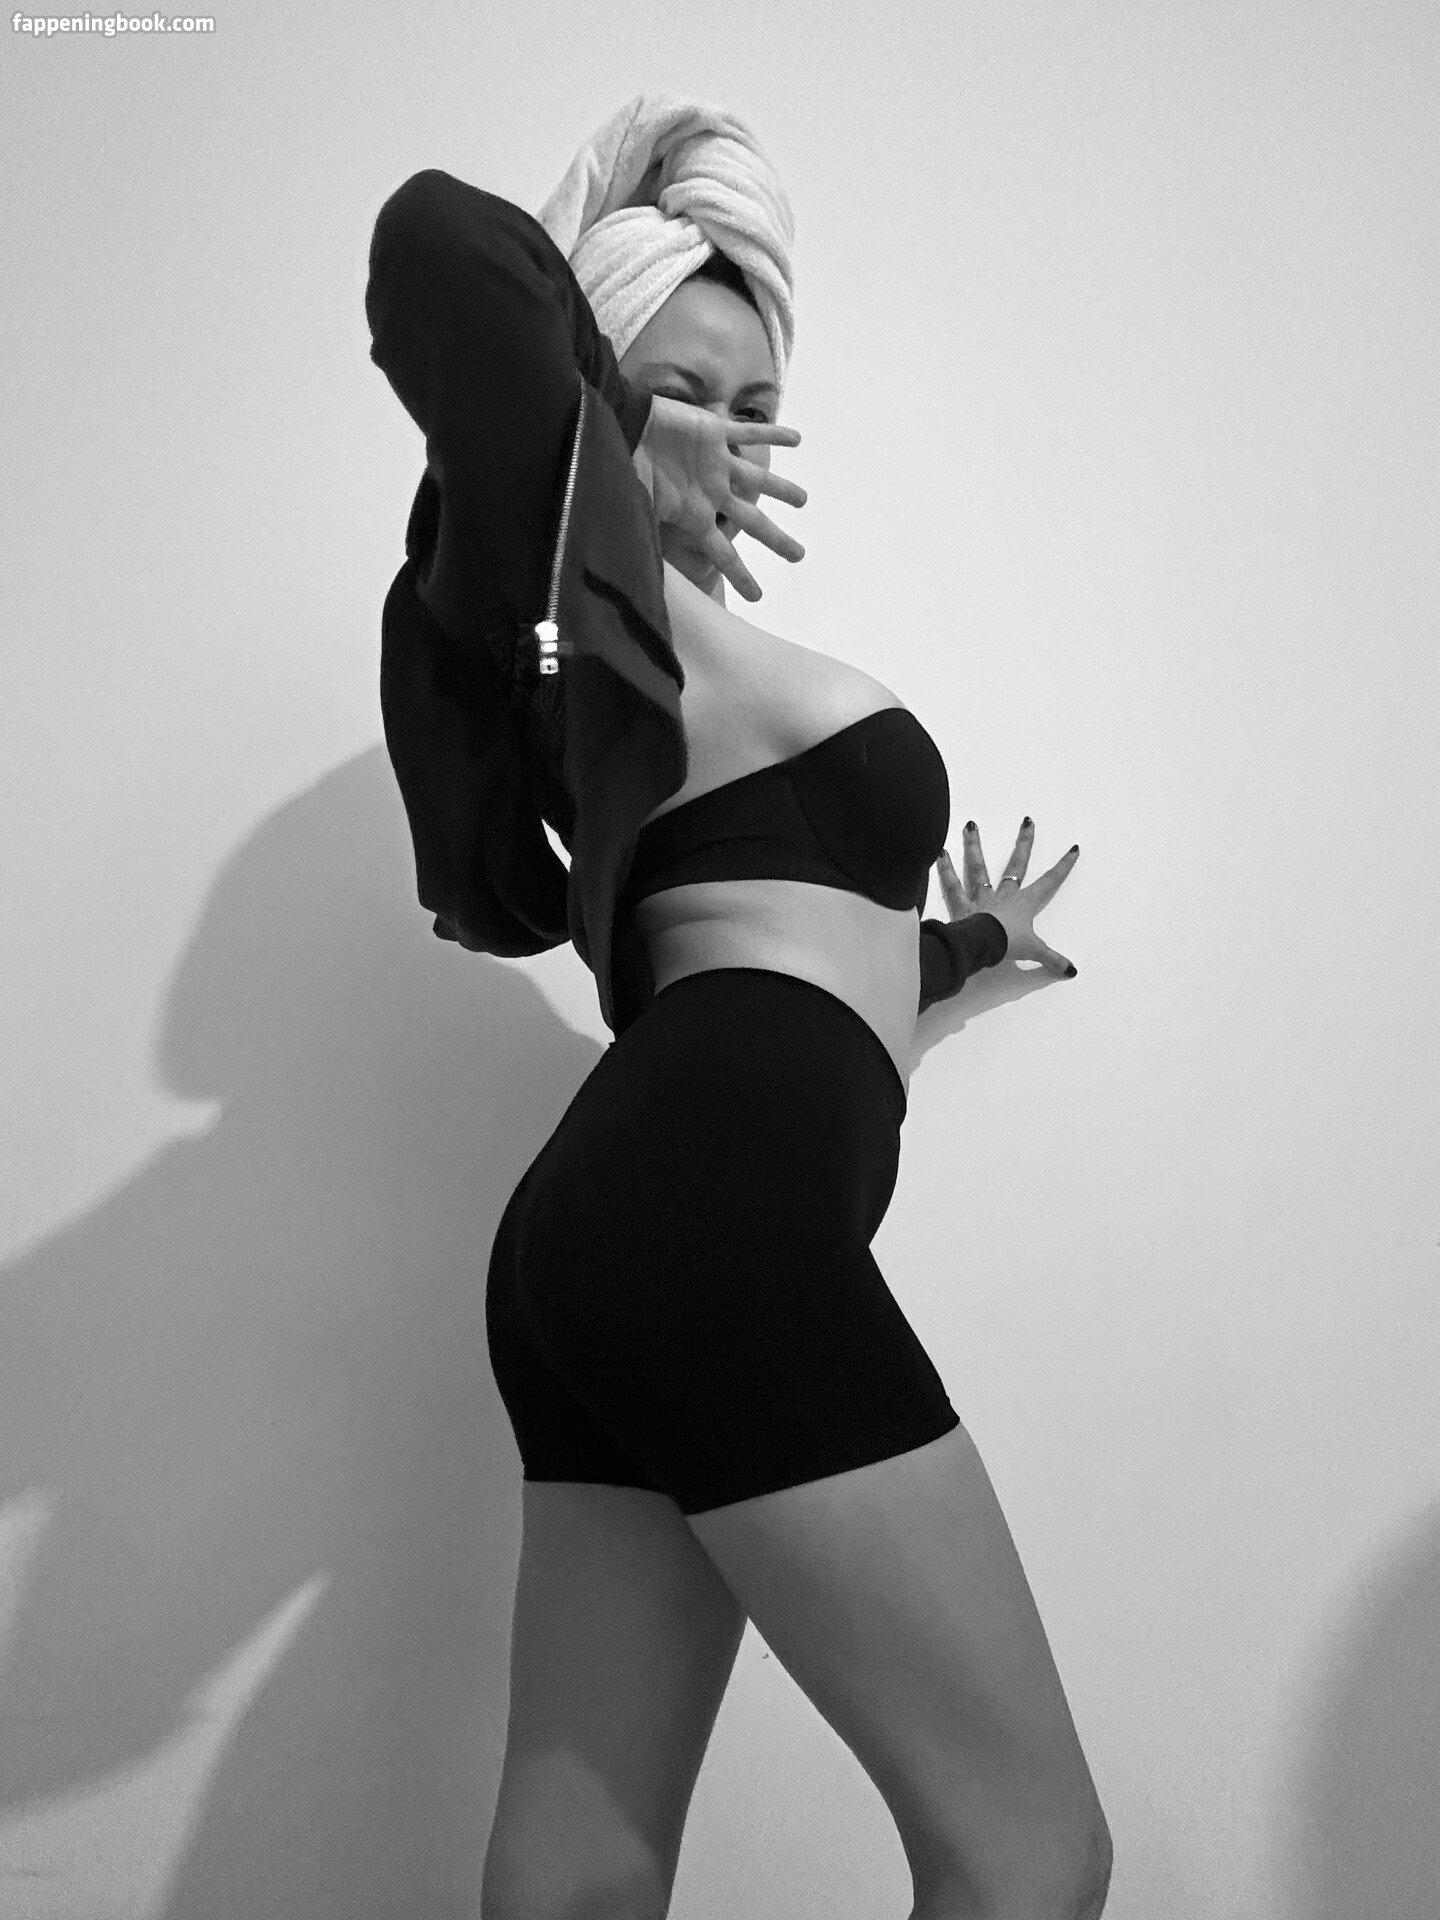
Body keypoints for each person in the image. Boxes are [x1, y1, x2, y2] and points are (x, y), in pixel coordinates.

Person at [366, 93, 1110, 1920]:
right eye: (678, 388)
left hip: (624, 1224)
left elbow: (797, 967)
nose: (728, 435)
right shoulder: (572, 602)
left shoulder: (652, 662)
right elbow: (433, 242)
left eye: (756, 402)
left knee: (583, 1865)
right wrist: (609, 445)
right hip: (706, 1208)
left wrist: (965, 951)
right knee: (1033, 1853)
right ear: (588, 392)